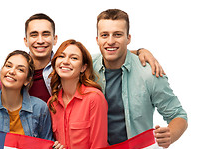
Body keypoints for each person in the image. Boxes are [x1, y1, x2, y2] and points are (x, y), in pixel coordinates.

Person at [93, 9, 188, 148]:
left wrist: (170, 135)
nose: (110, 41)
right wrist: (140, 51)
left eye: (118, 35)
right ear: (97, 39)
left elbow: (178, 115)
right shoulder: (86, 67)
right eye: (104, 35)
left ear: (128, 38)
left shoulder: (150, 73)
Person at [24, 13, 164, 103]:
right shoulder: (14, 72)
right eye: (34, 35)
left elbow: (108, 54)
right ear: (26, 40)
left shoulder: (65, 66)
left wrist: (140, 51)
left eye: (46, 34)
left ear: (55, 39)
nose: (40, 40)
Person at [0, 50, 53, 140]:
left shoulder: (40, 108)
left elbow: (47, 147)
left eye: (20, 69)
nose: (11, 71)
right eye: (8, 66)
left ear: (27, 80)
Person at [49, 40, 108, 149]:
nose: (65, 61)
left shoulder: (94, 98)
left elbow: (99, 148)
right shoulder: (52, 103)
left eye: (74, 58)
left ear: (83, 68)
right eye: (61, 56)